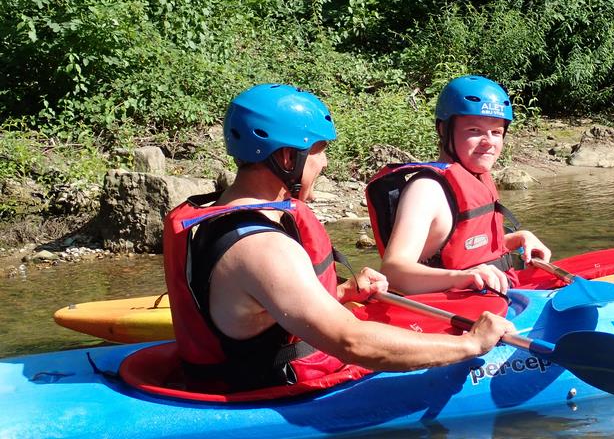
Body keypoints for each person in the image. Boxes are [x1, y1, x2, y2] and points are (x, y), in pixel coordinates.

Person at [162, 83, 514, 393]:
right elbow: (352, 341)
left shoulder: (226, 217)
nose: (326, 163)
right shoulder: (263, 248)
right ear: (287, 157)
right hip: (272, 391)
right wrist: (471, 344)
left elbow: (257, 308)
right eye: (319, 150)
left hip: (235, 370)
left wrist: (343, 292)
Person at [366, 75, 552, 296]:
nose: (489, 142)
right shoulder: (427, 190)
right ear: (443, 130)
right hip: (451, 313)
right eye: (474, 130)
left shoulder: (476, 177)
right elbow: (393, 271)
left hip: (494, 299)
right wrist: (461, 278)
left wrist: (517, 238)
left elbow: (465, 247)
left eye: (496, 132)